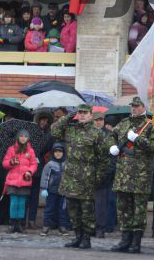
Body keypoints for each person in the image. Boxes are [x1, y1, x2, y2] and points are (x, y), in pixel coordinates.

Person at [50, 103, 109, 250]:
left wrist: (98, 178)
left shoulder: (97, 134)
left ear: (91, 115)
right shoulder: (71, 129)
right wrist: (68, 116)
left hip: (87, 178)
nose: (82, 115)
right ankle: (77, 237)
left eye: (85, 113)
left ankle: (86, 239)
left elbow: (104, 159)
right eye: (80, 112)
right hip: (70, 177)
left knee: (87, 211)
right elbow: (54, 130)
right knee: (72, 210)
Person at [108, 96, 154, 253]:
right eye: (133, 106)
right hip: (123, 173)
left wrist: (138, 139)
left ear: (144, 107)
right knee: (123, 208)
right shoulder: (124, 123)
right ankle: (125, 239)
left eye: (137, 106)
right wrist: (112, 146)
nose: (134, 108)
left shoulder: (151, 127)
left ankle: (136, 242)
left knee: (138, 209)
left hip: (141, 174)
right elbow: (111, 136)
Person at [2, 130, 38, 233]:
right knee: (14, 203)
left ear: (28, 138)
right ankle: (12, 224)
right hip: (12, 181)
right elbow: (4, 163)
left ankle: (20, 224)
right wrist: (11, 162)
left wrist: (29, 171)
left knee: (22, 203)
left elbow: (34, 164)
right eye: (21, 136)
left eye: (25, 136)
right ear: (18, 137)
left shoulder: (31, 151)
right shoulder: (11, 149)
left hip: (24, 180)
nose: (23, 138)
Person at [40, 142, 69, 236]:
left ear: (63, 153)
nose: (58, 154)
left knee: (62, 210)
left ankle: (62, 227)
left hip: (63, 191)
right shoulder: (49, 164)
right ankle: (46, 226)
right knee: (49, 209)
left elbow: (69, 178)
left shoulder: (66, 164)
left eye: (60, 152)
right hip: (51, 191)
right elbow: (45, 177)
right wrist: (44, 188)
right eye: (56, 152)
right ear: (53, 153)